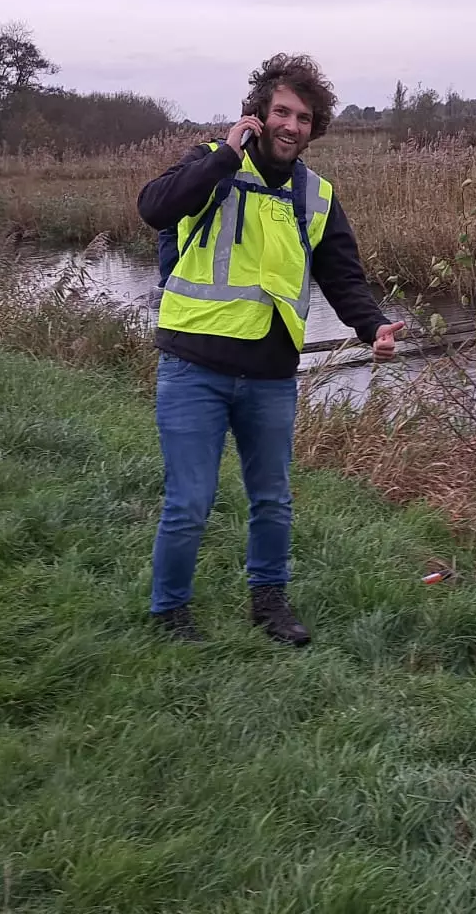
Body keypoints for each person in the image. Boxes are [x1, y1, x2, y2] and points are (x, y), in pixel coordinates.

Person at [137, 54, 404, 645]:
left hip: (269, 375)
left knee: (273, 501)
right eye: (281, 112)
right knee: (189, 503)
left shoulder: (317, 194)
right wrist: (227, 156)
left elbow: (343, 277)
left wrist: (373, 327)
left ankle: (269, 604)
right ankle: (170, 613)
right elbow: (153, 207)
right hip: (193, 367)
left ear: (315, 128)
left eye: (304, 118)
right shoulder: (210, 165)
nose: (291, 125)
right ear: (258, 114)